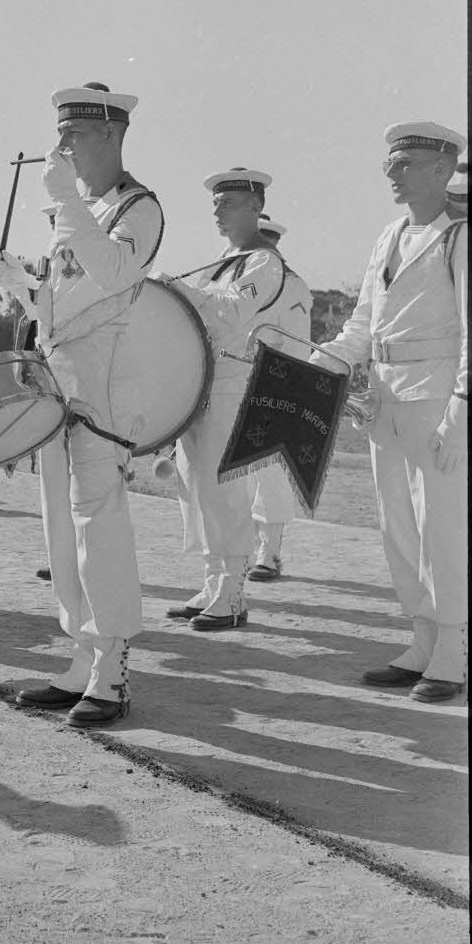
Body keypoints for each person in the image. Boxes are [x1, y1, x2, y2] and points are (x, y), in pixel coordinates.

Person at [0, 83, 163, 727]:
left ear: (113, 135)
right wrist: (28, 290)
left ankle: (113, 671)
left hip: (105, 389)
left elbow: (116, 275)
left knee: (100, 527)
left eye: (75, 135)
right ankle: (82, 656)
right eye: (60, 133)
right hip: (59, 387)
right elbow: (65, 304)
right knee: (61, 529)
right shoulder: (79, 209)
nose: (61, 147)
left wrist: (64, 199)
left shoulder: (139, 209)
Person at [314, 122, 467, 702]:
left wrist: (461, 412)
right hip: (384, 396)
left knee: (442, 526)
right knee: (399, 524)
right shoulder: (389, 236)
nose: (391, 174)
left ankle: (452, 647)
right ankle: (422, 639)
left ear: (441, 169)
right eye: (390, 164)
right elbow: (361, 322)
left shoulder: (459, 237)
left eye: (404, 164)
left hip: (436, 398)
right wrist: (320, 363)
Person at [157, 168, 287, 633]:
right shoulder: (222, 262)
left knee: (225, 489)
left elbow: (229, 312)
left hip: (235, 380)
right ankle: (213, 583)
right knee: (199, 488)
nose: (217, 210)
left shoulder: (264, 264)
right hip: (204, 381)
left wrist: (181, 289)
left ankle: (232, 594)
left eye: (228, 202)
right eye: (215, 203)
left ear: (255, 207)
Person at [245, 215, 312, 582]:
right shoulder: (234, 279)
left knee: (270, 474)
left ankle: (269, 554)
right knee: (237, 478)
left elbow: (298, 346)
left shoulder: (293, 287)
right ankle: (244, 549)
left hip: (273, 388)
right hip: (235, 386)